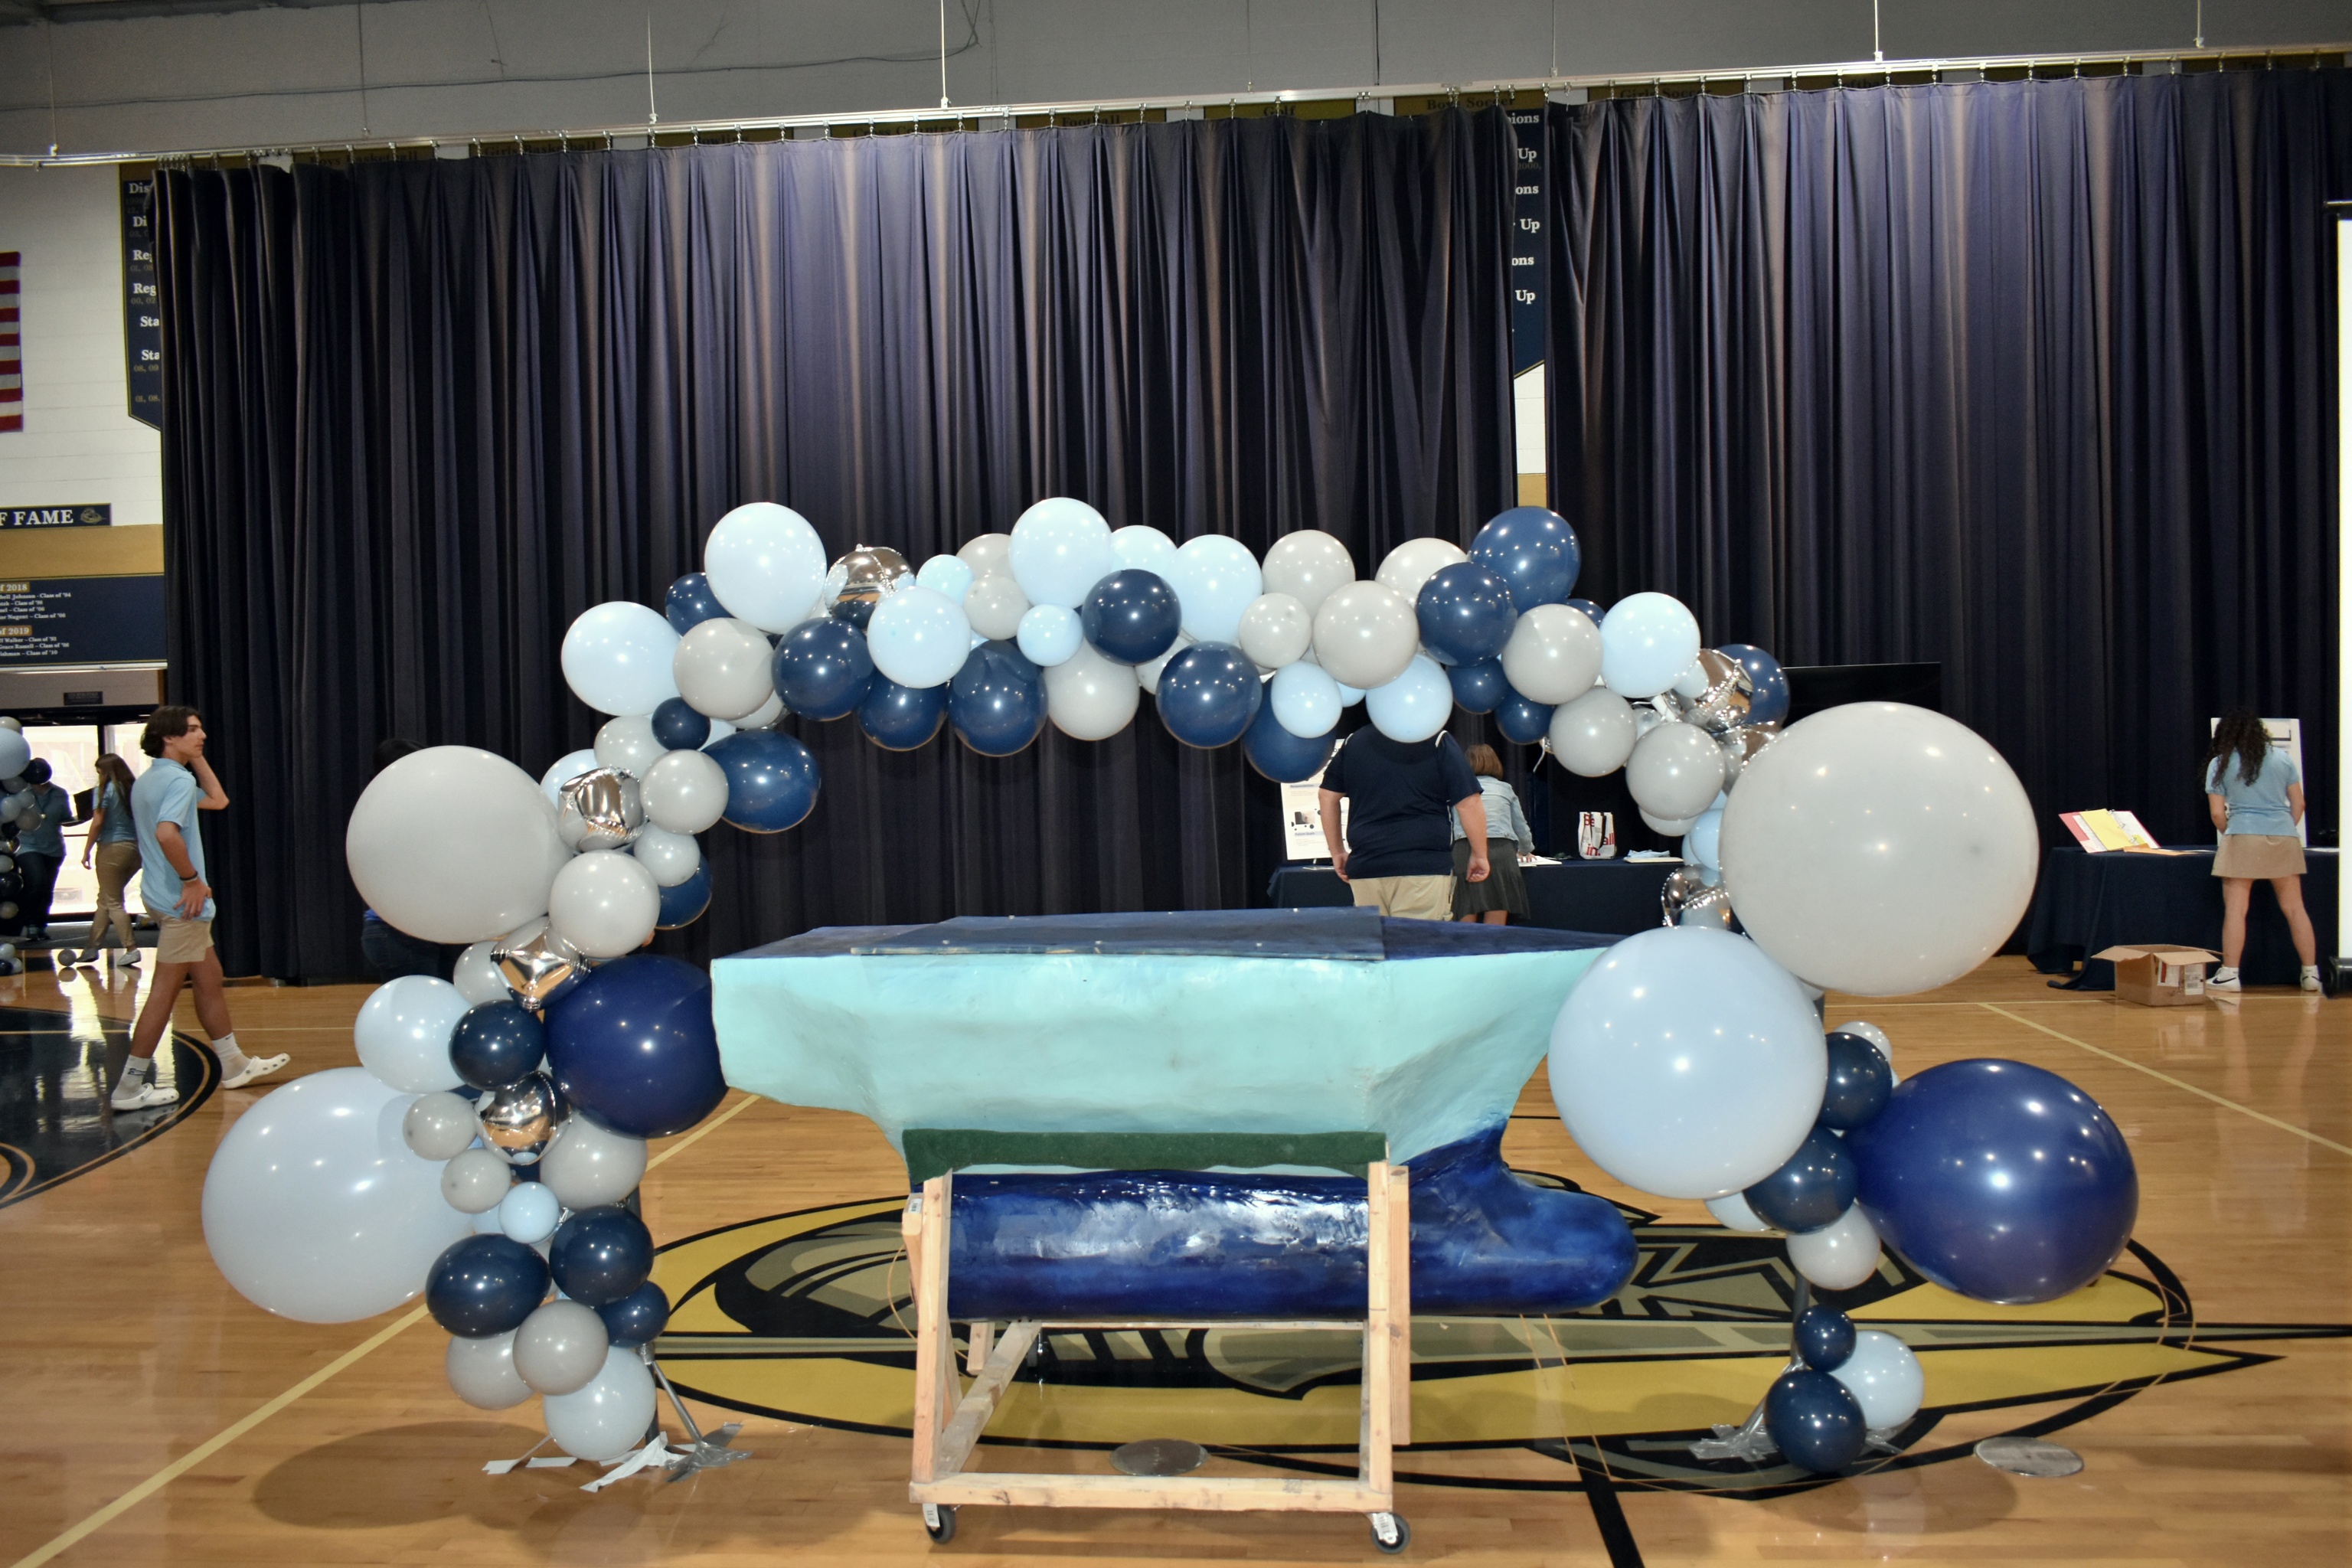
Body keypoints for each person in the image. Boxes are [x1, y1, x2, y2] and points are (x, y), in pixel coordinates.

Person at [114, 707, 289, 1111]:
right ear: (168, 737)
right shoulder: (176, 781)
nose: (203, 735)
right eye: (192, 730)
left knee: (210, 977)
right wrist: (192, 879)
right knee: (163, 993)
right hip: (183, 904)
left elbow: (218, 800)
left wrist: (193, 756)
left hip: (163, 899)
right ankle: (129, 1086)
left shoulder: (152, 779)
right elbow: (166, 833)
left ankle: (233, 1064)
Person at [2203, 707, 2318, 994]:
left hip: (2242, 834)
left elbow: (2218, 815)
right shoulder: (2282, 758)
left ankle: (2230, 975)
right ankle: (2311, 974)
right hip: (2284, 836)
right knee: (2295, 908)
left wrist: (2233, 832)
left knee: (2236, 910)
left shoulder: (2220, 763)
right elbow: (2299, 804)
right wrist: (2284, 828)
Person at [1318, 727, 1488, 920]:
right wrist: (1480, 854)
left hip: (1367, 865)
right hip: (1422, 867)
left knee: (1377, 947)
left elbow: (1327, 796)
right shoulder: (1436, 738)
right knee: (1418, 946)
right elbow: (1468, 802)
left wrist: (1337, 852)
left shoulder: (1354, 741)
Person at [361, 738, 455, 980]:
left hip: (420, 931)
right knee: (427, 1009)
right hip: (402, 935)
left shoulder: (379, 811)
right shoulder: (393, 815)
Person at [72, 753, 143, 967]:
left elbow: (98, 822)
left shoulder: (103, 791)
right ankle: (91, 947)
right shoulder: (133, 789)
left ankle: (131, 949)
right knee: (105, 898)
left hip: (111, 849)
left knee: (113, 902)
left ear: (105, 771)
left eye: (99, 772)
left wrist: (86, 850)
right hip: (135, 849)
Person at [1452, 745, 1533, 926]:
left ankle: (1465, 952)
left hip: (1464, 849)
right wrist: (1526, 850)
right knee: (1498, 905)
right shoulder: (1505, 789)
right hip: (1501, 852)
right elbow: (1521, 827)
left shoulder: (1457, 788)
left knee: (1465, 906)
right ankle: (1492, 952)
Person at [13, 758, 74, 944]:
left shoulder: (59, 793)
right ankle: (29, 923)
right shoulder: (21, 794)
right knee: (36, 881)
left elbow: (65, 818)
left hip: (53, 847)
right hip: (27, 844)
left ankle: (41, 925)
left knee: (47, 888)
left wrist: (85, 817)